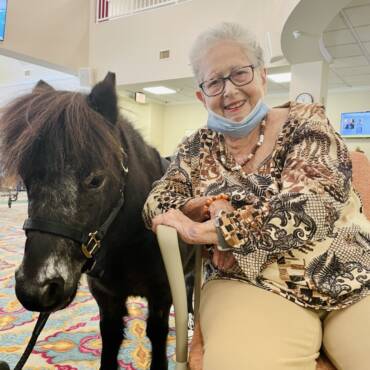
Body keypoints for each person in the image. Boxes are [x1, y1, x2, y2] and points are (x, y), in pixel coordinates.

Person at [143, 22, 370, 370]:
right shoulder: (195, 148)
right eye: (214, 82)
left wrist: (218, 231)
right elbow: (157, 201)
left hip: (348, 272)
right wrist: (207, 206)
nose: (229, 91)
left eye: (239, 73)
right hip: (250, 283)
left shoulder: (306, 123)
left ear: (262, 76)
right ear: (202, 95)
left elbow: (313, 202)